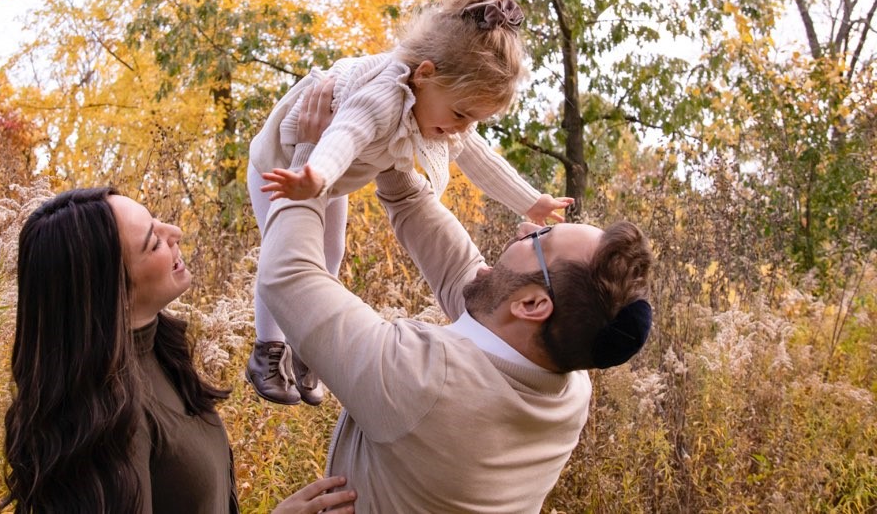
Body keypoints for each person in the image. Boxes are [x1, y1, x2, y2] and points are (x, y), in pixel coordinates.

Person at [254, 79, 654, 511]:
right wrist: (394, 129)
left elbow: (288, 275)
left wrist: (311, 153)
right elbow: (425, 221)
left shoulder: (424, 383)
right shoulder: (568, 384)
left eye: (539, 237)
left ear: (533, 305)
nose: (523, 228)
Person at [246, 0, 573, 405]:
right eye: (460, 115)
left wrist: (532, 202)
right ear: (423, 73)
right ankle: (268, 349)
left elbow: (479, 159)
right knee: (281, 251)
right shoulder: (383, 96)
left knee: (331, 254)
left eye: (473, 120)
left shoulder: (440, 105)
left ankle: (307, 345)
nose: (460, 130)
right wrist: (315, 174)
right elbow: (347, 133)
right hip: (288, 165)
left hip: (328, 176)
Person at [3, 187, 357, 514]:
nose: (175, 232)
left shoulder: (160, 354)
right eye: (153, 242)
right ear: (112, 292)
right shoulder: (110, 422)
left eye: (157, 221)